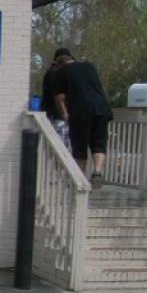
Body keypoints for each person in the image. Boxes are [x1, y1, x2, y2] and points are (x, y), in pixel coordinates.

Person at [53, 47, 113, 189]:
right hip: (101, 109)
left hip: (81, 111)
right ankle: (97, 172)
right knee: (99, 144)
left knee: (79, 148)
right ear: (71, 57)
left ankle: (80, 180)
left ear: (58, 62)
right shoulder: (89, 66)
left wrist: (65, 114)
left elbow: (60, 98)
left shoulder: (60, 72)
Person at [40, 56, 71, 150]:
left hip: (52, 115)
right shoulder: (56, 74)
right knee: (62, 146)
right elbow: (59, 96)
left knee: (57, 145)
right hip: (57, 115)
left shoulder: (51, 72)